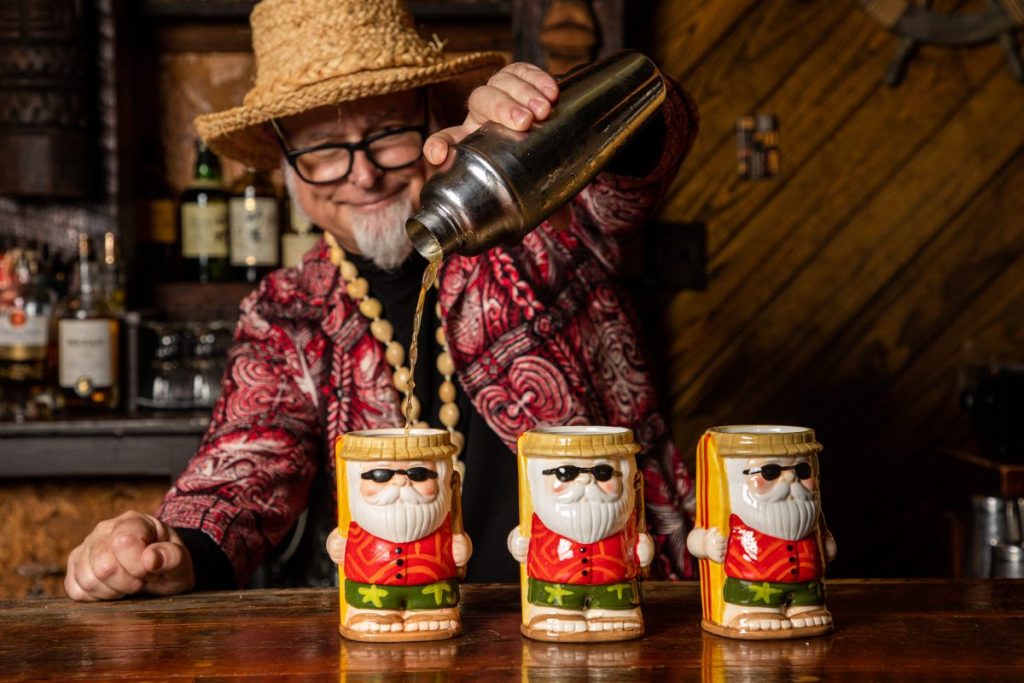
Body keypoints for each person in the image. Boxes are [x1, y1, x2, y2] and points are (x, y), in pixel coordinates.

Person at [63, 0, 699, 602]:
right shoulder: (288, 309)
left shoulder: (540, 222)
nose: (362, 175)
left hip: (623, 601)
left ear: (432, 124)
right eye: (321, 150)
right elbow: (247, 461)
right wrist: (177, 547)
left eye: (387, 133)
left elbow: (648, 144)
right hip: (408, 629)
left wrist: (551, 118)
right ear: (287, 171)